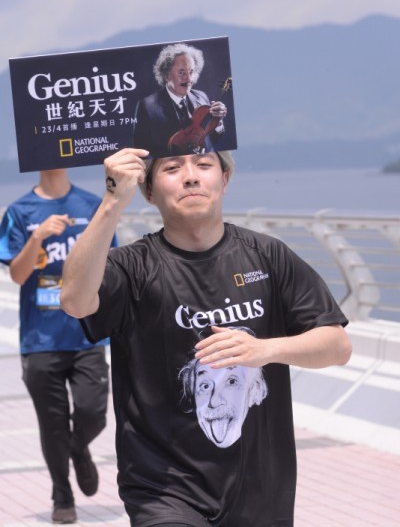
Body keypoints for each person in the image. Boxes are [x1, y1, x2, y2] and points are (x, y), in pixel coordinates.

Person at [60, 148, 352, 527]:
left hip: (261, 491)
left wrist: (264, 349)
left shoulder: (267, 256)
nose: (191, 176)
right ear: (149, 191)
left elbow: (337, 346)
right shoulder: (131, 267)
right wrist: (113, 201)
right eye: (172, 168)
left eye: (203, 164)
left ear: (224, 179)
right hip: (162, 489)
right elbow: (75, 301)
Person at [0, 169, 117, 525]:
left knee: (93, 412)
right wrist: (38, 236)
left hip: (85, 333)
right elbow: (17, 275)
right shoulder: (19, 211)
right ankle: (61, 495)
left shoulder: (92, 206)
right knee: (52, 425)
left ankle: (78, 448)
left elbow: (109, 265)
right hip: (40, 340)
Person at [133, 43, 227, 158]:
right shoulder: (147, 106)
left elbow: (211, 139)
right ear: (166, 75)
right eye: (181, 73)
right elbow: (142, 152)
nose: (189, 79)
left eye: (191, 72)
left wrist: (218, 121)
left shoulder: (201, 97)